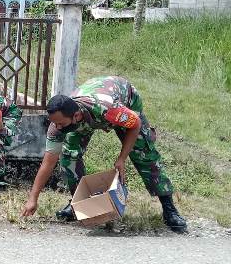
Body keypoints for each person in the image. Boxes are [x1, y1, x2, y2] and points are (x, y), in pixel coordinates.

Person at [20, 76, 188, 232]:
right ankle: (79, 206)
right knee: (69, 157)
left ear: (76, 115)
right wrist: (33, 199)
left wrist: (121, 159)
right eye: (54, 123)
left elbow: (134, 124)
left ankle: (169, 210)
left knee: (144, 154)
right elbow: (48, 163)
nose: (57, 128)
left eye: (60, 123)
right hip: (89, 110)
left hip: (125, 98)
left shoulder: (107, 109)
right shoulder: (58, 126)